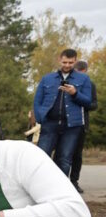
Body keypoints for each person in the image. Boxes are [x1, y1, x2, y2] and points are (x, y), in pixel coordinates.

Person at [34, 48, 93, 177]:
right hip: (49, 124)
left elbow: (88, 101)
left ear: (75, 61)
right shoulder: (47, 78)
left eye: (70, 63)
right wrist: (40, 118)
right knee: (41, 157)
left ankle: (59, 191)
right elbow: (38, 100)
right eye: (64, 62)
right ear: (59, 60)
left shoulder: (84, 79)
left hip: (72, 126)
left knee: (65, 160)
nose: (67, 65)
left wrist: (75, 93)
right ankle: (39, 187)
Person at [69, 60, 97, 193]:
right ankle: (60, 182)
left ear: (86, 72)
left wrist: (79, 99)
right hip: (65, 124)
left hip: (81, 124)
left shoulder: (90, 84)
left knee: (77, 155)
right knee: (62, 154)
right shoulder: (66, 82)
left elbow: (93, 104)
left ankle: (74, 181)